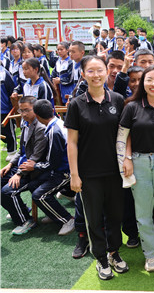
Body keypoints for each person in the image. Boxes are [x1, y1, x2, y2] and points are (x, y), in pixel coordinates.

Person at [65, 55, 128, 280]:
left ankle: (114, 252)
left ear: (106, 71)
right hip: (89, 173)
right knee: (93, 219)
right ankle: (100, 257)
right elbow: (72, 142)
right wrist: (74, 174)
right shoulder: (76, 104)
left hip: (115, 171)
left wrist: (127, 160)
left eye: (99, 70)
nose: (96, 75)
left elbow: (125, 135)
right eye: (90, 71)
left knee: (115, 215)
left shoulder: (117, 100)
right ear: (83, 74)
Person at [118, 65, 154, 273]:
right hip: (139, 162)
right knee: (143, 212)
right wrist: (126, 158)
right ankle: (150, 255)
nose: (153, 84)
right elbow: (123, 136)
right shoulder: (132, 107)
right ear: (142, 83)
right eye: (149, 80)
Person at [1, 96, 48, 235]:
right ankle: (21, 209)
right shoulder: (25, 123)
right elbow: (21, 150)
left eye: (27, 110)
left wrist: (18, 174)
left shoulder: (40, 128)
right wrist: (10, 164)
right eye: (21, 110)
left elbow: (35, 157)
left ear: (36, 109)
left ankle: (26, 220)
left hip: (34, 171)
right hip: (22, 166)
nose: (23, 114)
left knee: (7, 191)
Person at [29, 99, 75, 235]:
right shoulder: (58, 122)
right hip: (62, 168)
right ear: (53, 110)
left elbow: (53, 163)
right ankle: (53, 213)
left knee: (39, 195)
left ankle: (67, 220)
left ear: (37, 116)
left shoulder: (54, 132)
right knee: (33, 185)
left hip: (65, 172)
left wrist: (35, 165)